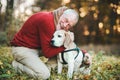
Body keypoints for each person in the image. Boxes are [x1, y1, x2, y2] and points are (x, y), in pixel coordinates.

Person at [10, 6, 79, 80]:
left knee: (56, 57)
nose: (65, 25)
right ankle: (17, 66)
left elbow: (66, 43)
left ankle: (41, 67)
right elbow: (47, 53)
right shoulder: (48, 21)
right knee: (44, 75)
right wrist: (65, 45)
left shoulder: (57, 20)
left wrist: (82, 52)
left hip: (35, 48)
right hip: (22, 49)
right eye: (66, 20)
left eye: (69, 25)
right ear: (62, 14)